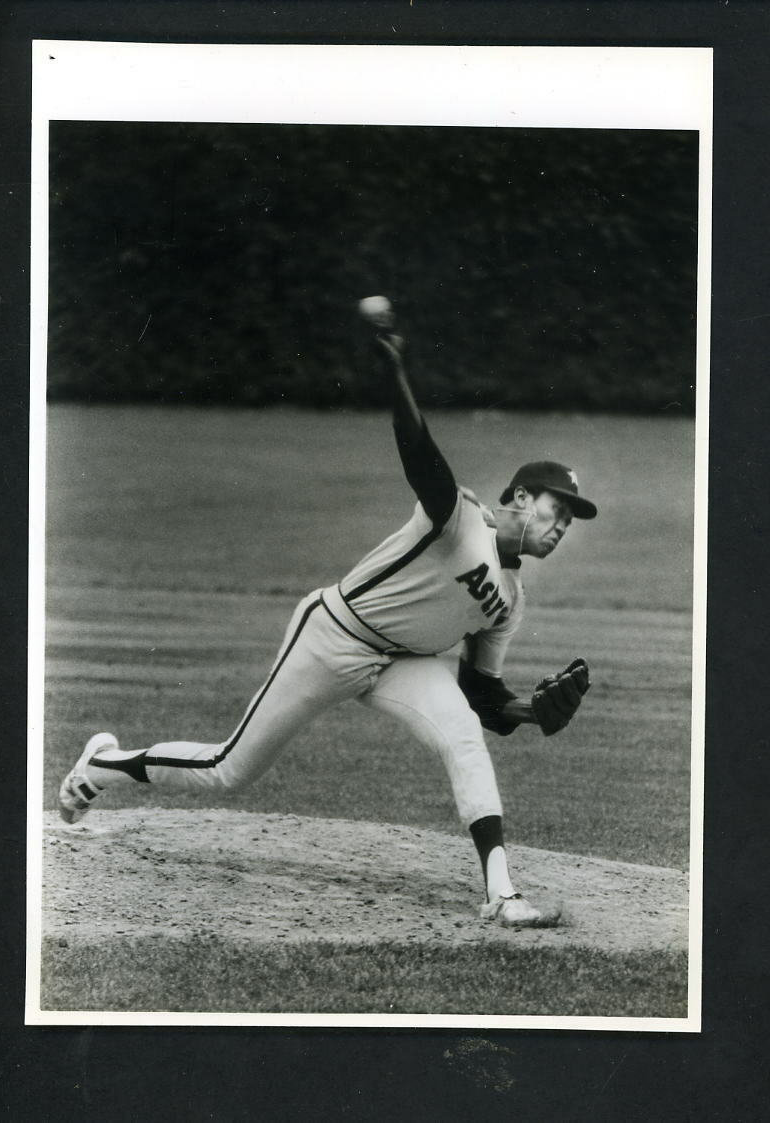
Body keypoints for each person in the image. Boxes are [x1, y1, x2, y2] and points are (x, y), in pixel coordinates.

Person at [58, 305, 597, 928]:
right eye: (558, 510)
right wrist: (396, 374)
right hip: (332, 636)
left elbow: (479, 694)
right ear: (522, 498)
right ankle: (103, 764)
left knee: (464, 736)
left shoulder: (512, 602)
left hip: (403, 665)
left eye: (571, 521)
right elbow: (422, 454)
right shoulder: (458, 519)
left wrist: (527, 712)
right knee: (228, 770)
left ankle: (501, 892)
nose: (561, 527)